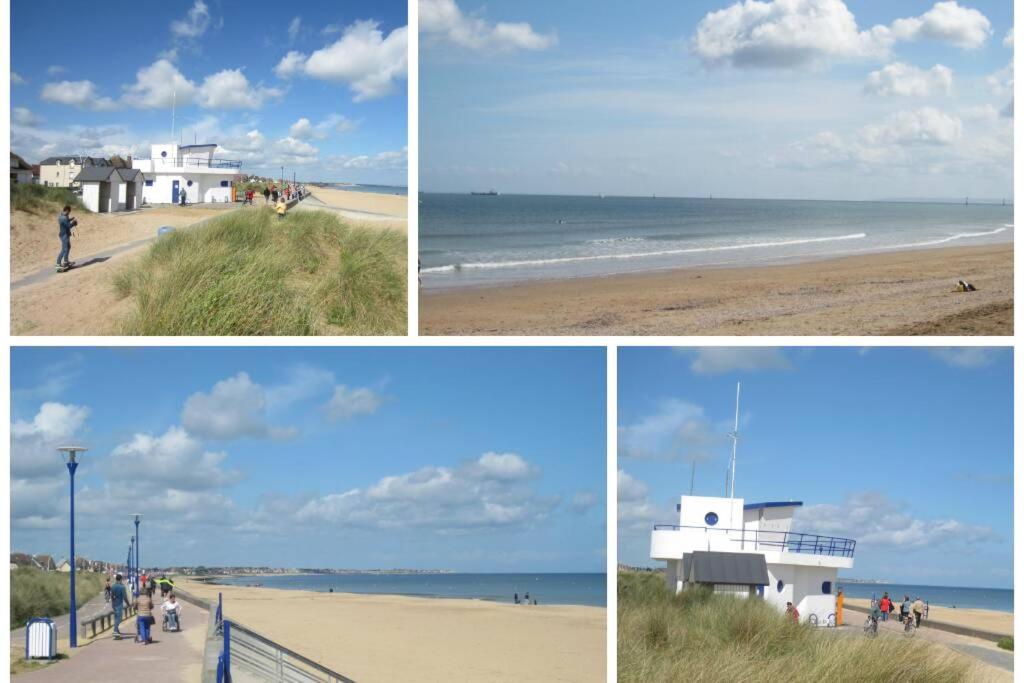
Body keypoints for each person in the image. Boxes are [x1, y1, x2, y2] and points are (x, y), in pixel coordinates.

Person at [56, 205, 77, 272]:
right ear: (67, 210)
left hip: (65, 234)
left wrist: (71, 219)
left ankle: (66, 262)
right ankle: (58, 266)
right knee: (64, 250)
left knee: (68, 247)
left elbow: (67, 221)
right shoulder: (63, 218)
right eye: (69, 212)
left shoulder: (63, 216)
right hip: (64, 235)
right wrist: (74, 223)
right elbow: (68, 226)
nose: (69, 213)